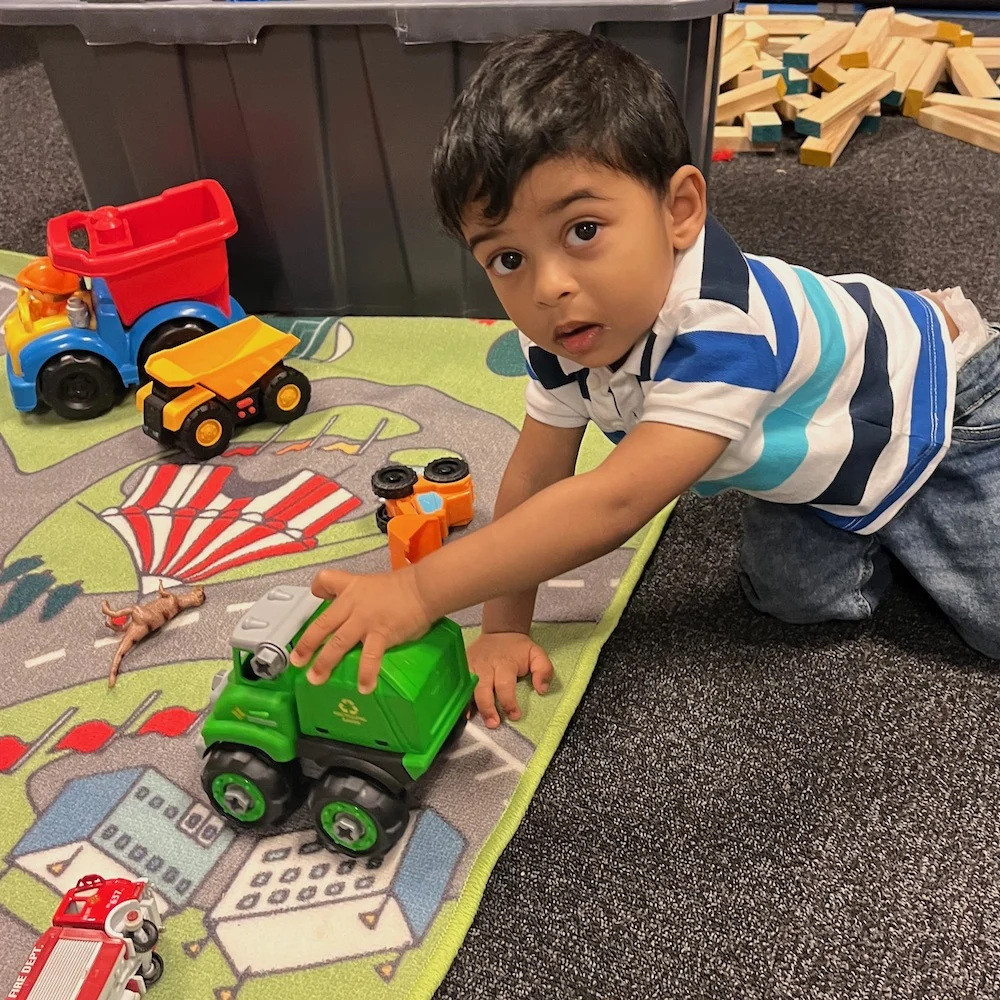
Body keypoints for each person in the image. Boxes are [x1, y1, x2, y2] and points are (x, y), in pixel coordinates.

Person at [291, 29, 1000, 727]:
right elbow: (536, 478)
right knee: (789, 600)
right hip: (827, 447)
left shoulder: (722, 328)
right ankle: (871, 508)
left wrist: (421, 591)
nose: (549, 287)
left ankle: (907, 502)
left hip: (947, 400)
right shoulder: (564, 332)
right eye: (508, 259)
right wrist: (504, 627)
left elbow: (614, 501)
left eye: (583, 231)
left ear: (679, 210)